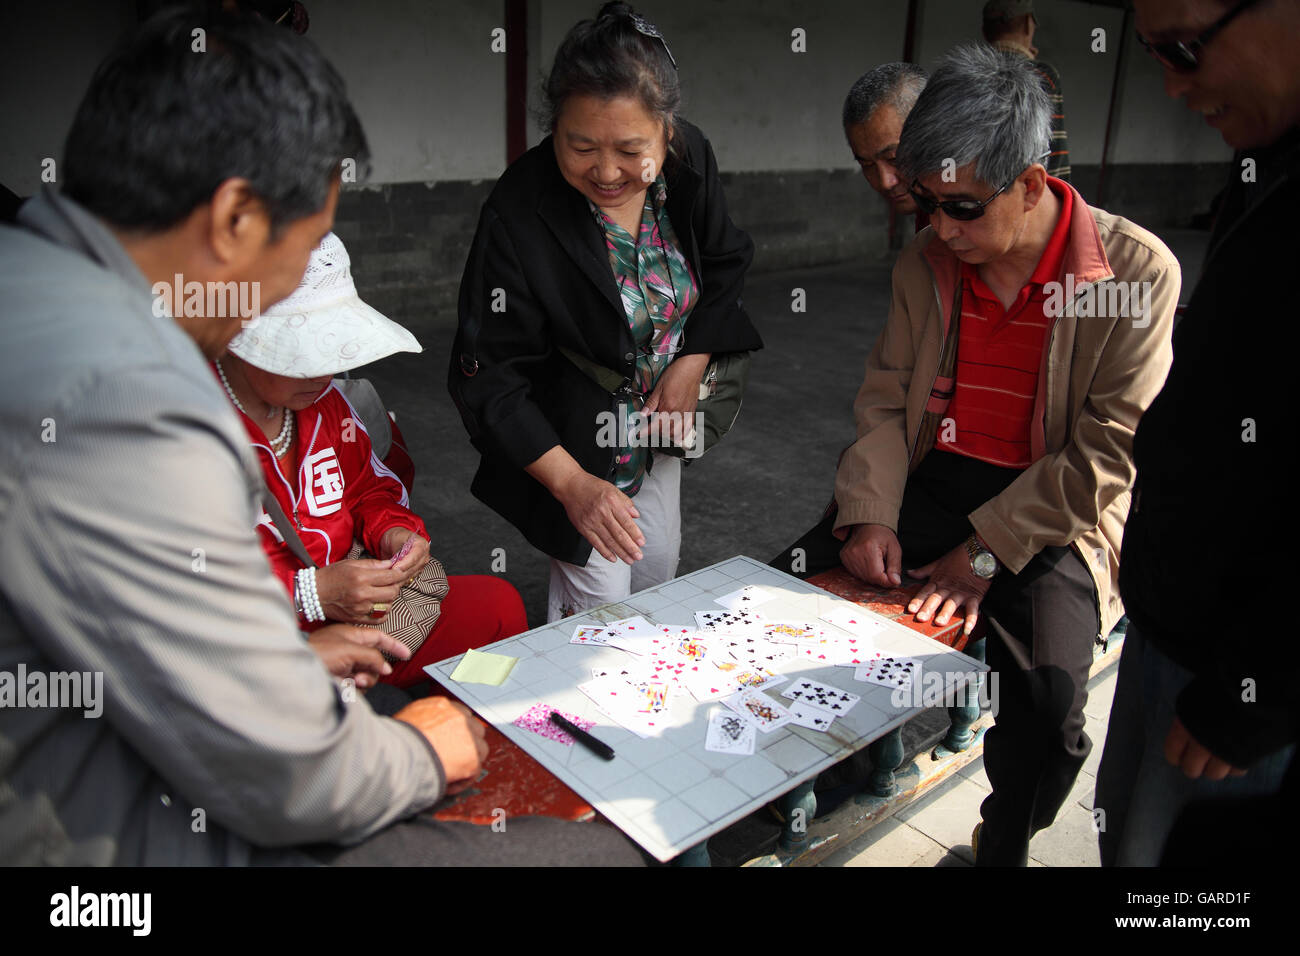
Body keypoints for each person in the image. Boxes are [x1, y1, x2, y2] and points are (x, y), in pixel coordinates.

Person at [0, 8, 641, 866]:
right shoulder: (130, 400)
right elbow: (286, 774)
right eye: (297, 252)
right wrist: (425, 755)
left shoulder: (34, 282)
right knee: (605, 851)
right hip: (115, 840)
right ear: (233, 220)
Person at [775, 44, 1178, 865]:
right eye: (923, 203)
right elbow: (886, 400)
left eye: (959, 207)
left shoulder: (1136, 271)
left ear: (1029, 182)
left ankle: (1002, 844)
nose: (938, 228)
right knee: (780, 592)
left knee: (1052, 714)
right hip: (936, 479)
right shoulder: (927, 263)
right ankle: (811, 785)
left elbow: (1108, 452)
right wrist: (867, 514)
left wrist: (982, 556)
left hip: (1054, 509)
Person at [450, 1, 762, 622]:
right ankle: (573, 718)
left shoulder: (689, 160)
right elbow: (489, 375)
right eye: (581, 145)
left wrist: (692, 358)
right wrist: (572, 488)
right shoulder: (520, 210)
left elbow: (725, 261)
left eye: (629, 149)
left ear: (668, 131)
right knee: (600, 617)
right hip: (574, 443)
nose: (607, 170)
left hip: (656, 430)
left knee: (657, 574)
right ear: (554, 128)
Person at [1096, 0, 1300, 866]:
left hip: (1241, 670)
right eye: (1153, 58)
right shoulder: (1267, 165)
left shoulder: (1128, 267)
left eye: (1184, 49)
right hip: (1170, 622)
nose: (1176, 86)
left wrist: (1263, 689)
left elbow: (1104, 433)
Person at [217, 232, 528, 691]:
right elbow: (169, 593)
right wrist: (313, 593)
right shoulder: (185, 431)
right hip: (256, 651)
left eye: (332, 350)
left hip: (361, 614)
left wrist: (393, 533)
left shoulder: (328, 405)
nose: (323, 373)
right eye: (301, 355)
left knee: (498, 608)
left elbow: (367, 488)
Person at [983, 0, 1071, 182]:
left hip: (975, 192)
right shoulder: (1043, 75)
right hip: (1025, 191)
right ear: (1027, 25)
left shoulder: (964, 71)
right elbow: (1055, 150)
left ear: (985, 31)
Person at [842, 62, 930, 230]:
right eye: (866, 165)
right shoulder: (930, 209)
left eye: (894, 158)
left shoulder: (977, 207)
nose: (885, 182)